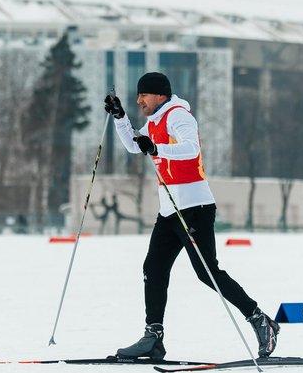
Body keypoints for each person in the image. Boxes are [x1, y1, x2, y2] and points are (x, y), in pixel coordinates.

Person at [103, 72, 279, 360]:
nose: (139, 101)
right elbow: (135, 145)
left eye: (143, 95)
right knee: (154, 269)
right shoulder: (155, 120)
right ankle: (153, 337)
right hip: (169, 210)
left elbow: (190, 149)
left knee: (207, 273)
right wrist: (120, 118)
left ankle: (260, 319)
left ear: (159, 94)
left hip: (194, 208)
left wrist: (157, 147)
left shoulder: (178, 115)